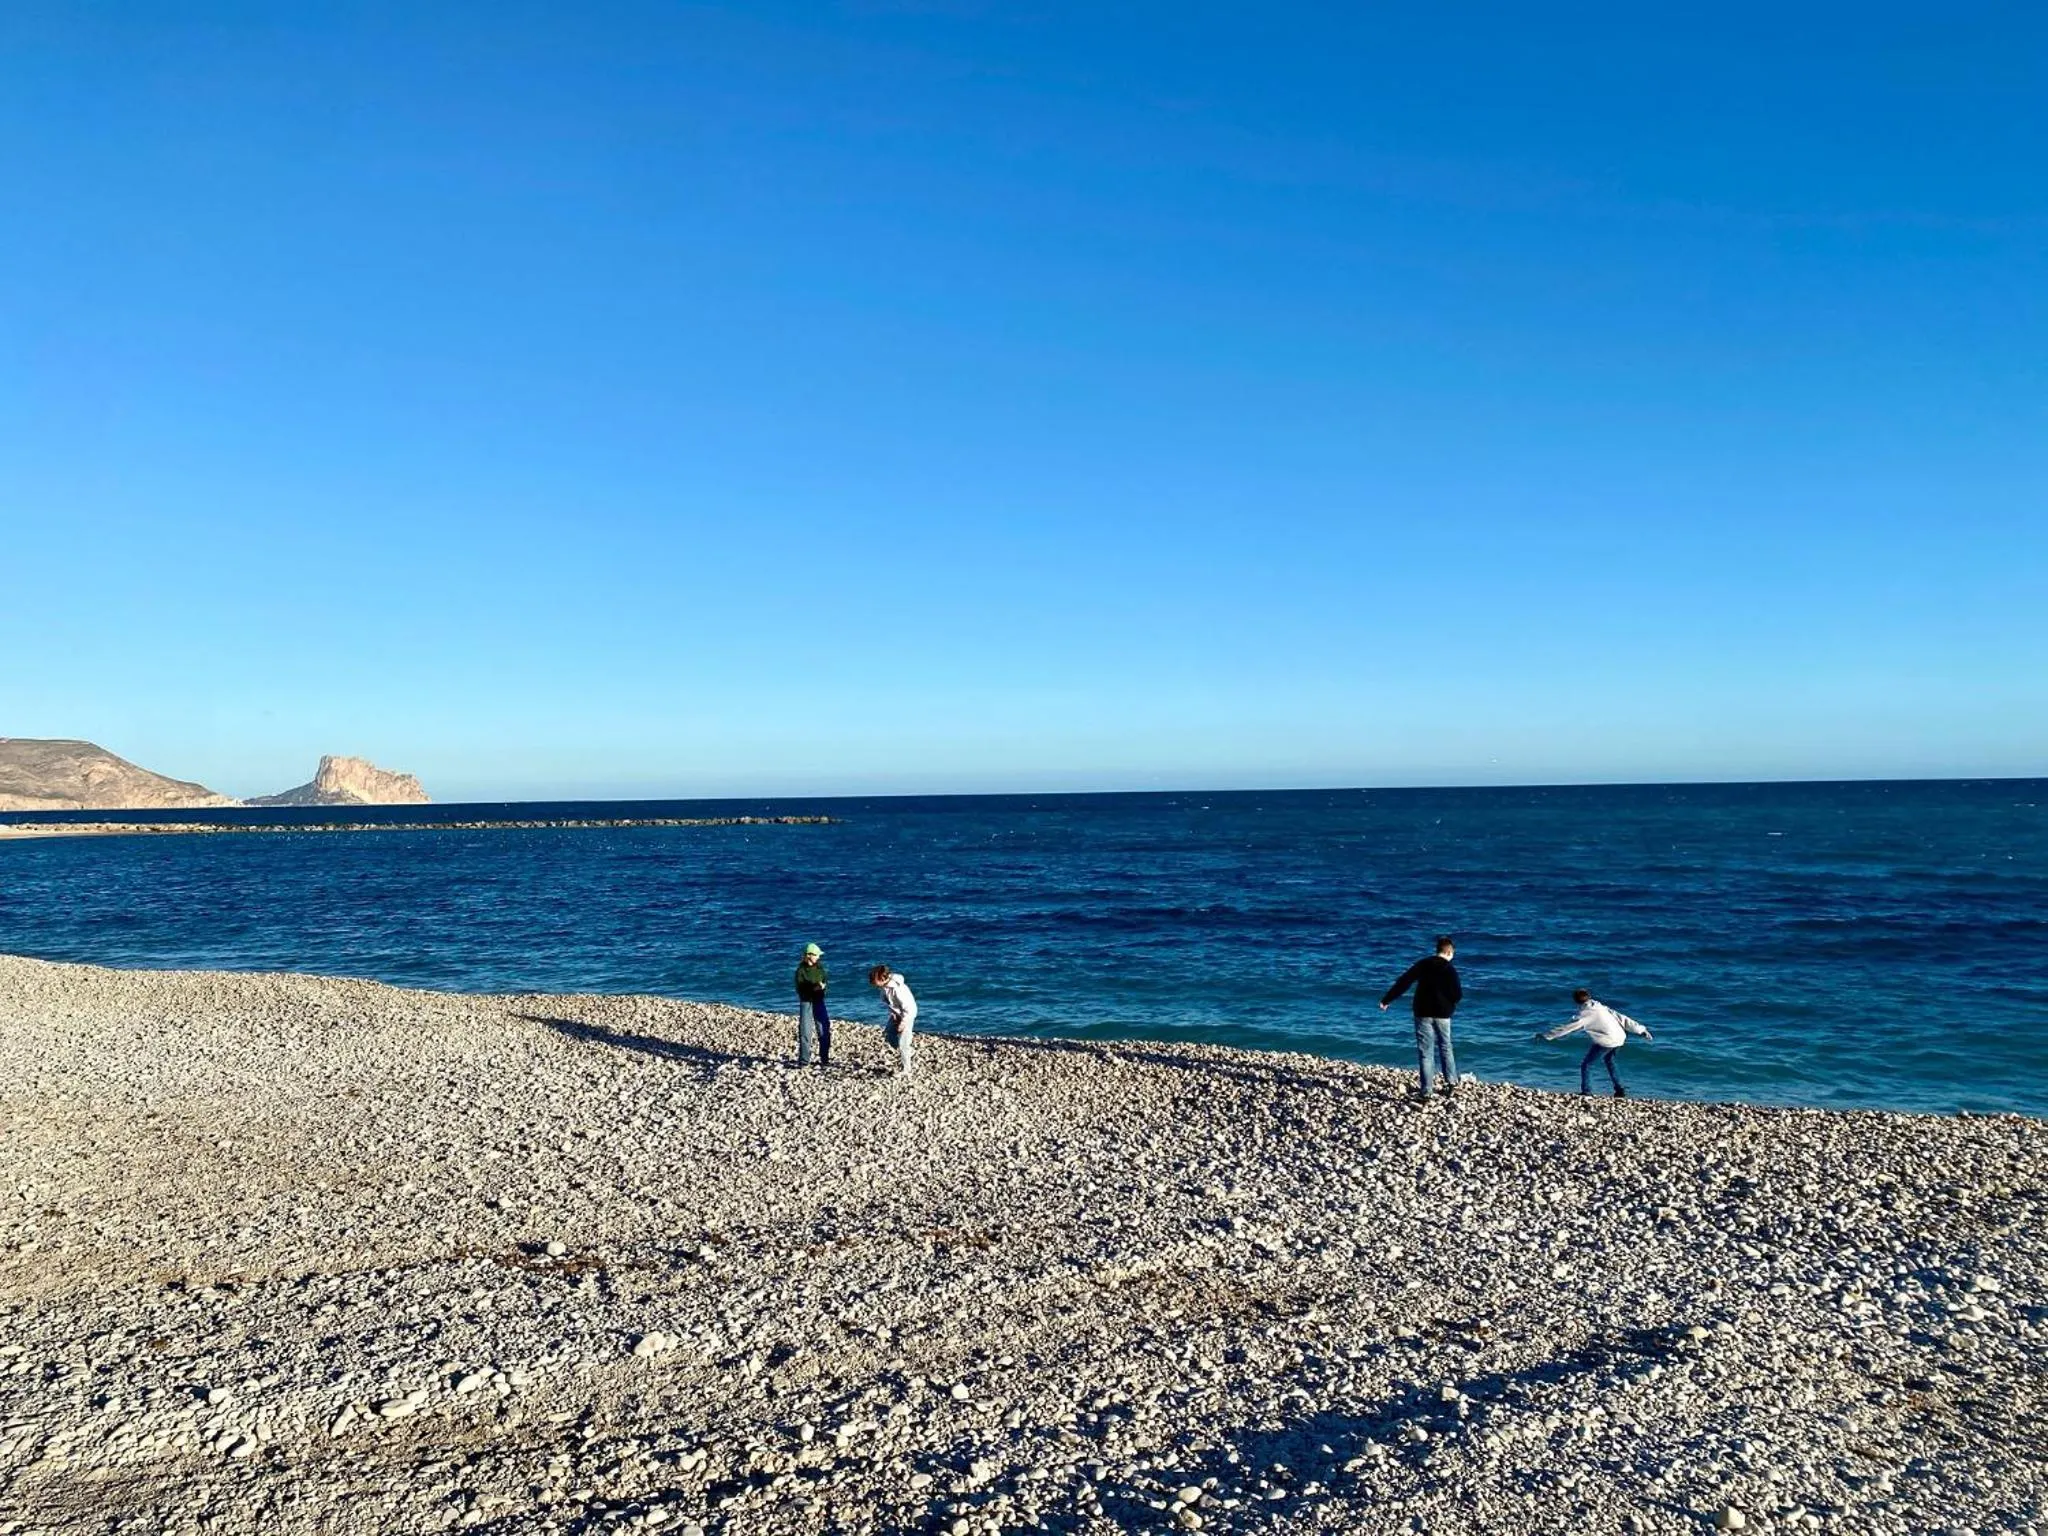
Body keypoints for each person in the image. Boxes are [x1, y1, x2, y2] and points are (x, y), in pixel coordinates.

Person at [1379, 935, 1463, 1102]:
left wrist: (1387, 999)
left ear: (1437, 950)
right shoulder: (1449, 969)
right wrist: (1451, 1005)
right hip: (1443, 1014)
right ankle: (1451, 1083)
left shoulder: (1423, 964)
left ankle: (1426, 1091)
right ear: (1450, 953)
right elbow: (1457, 994)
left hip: (1422, 1012)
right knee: (1445, 1046)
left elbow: (1404, 982)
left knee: (1426, 1052)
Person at [1536, 988, 1652, 1097]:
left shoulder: (1585, 1014)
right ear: (1589, 997)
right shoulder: (1600, 1006)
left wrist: (1546, 1035)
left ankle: (1587, 1092)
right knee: (1609, 1061)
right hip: (1620, 1037)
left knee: (1586, 1065)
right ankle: (1620, 1090)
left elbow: (1567, 1028)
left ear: (1575, 1001)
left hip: (1608, 1041)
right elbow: (1622, 1018)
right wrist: (1641, 1030)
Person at [869, 964, 918, 1076]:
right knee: (889, 1035)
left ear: (883, 978)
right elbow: (889, 1002)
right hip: (897, 1013)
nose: (873, 983)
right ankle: (908, 1051)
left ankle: (906, 1069)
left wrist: (903, 1023)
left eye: (874, 981)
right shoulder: (884, 987)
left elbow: (908, 1009)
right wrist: (893, 1013)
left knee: (903, 1043)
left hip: (908, 1015)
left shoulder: (897, 990)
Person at [794, 942, 832, 1068]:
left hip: (819, 1001)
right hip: (806, 1003)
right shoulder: (800, 971)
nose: (818, 957)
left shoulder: (820, 969)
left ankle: (825, 1059)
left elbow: (825, 982)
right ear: (808, 955)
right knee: (805, 1031)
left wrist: (822, 989)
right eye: (816, 955)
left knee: (824, 1030)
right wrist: (816, 987)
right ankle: (804, 1061)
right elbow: (801, 989)